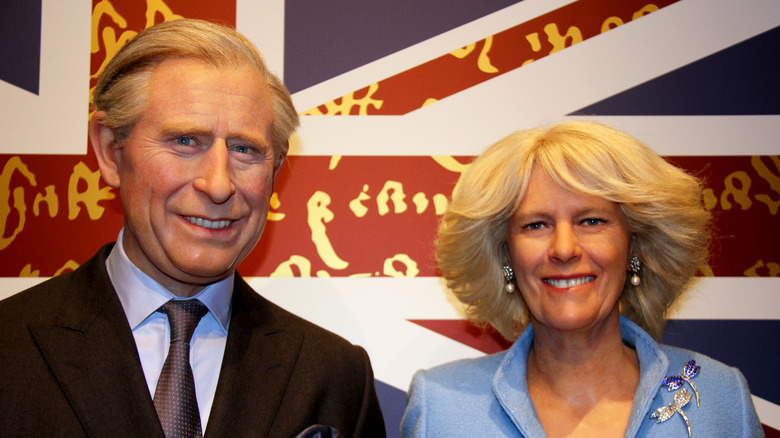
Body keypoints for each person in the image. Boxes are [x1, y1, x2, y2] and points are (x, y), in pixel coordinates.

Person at [0, 19, 385, 437]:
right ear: (111, 152)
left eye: (244, 149)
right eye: (185, 141)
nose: (218, 184)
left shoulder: (335, 376)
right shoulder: (9, 348)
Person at [401, 121, 762, 437]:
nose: (563, 249)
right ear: (505, 254)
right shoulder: (441, 405)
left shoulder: (717, 396)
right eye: (536, 225)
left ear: (635, 245)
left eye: (591, 221)